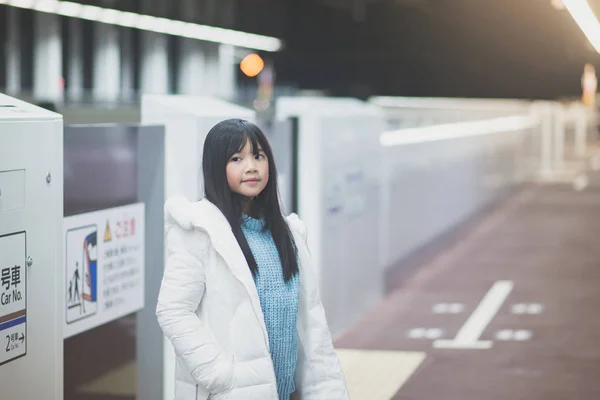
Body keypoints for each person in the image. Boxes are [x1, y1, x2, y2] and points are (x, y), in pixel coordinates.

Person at [156, 119, 348, 400]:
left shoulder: (289, 233)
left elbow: (311, 324)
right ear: (216, 168)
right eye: (237, 158)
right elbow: (173, 310)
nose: (251, 166)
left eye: (259, 156)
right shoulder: (198, 231)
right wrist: (218, 374)